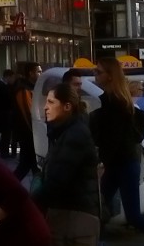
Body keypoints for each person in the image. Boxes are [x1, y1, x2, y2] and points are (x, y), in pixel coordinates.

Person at [90, 57, 144, 246]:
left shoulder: (116, 102)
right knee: (98, 206)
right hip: (120, 163)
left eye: (98, 72)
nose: (95, 75)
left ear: (110, 76)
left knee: (132, 214)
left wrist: (101, 162)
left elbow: (115, 137)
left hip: (123, 163)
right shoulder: (116, 99)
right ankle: (95, 239)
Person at [33, 83, 99, 246]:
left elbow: (57, 181)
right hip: (66, 215)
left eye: (51, 102)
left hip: (76, 219)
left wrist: (27, 204)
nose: (45, 107)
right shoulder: (64, 132)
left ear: (67, 106)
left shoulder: (75, 134)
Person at [12, 63, 41, 181]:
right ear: (31, 73)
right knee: (29, 165)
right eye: (38, 71)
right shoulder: (24, 89)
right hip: (28, 134)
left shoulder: (30, 88)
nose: (41, 74)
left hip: (29, 133)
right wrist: (36, 132)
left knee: (30, 165)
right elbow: (28, 114)